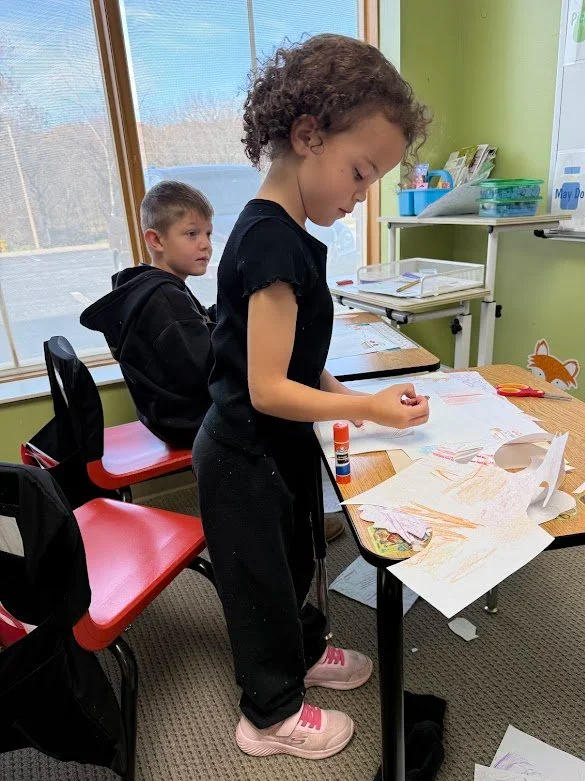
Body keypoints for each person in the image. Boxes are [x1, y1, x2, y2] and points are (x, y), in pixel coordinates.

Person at [193, 33, 430, 760]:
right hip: (242, 453)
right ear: (307, 136)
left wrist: (347, 391)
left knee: (295, 560)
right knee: (260, 585)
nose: (360, 197)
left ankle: (300, 652)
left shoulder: (289, 234)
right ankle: (267, 715)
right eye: (360, 174)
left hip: (275, 446)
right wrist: (364, 408)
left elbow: (296, 361)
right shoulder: (269, 241)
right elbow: (267, 389)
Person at [81, 181, 214, 448]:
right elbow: (208, 372)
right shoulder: (166, 299)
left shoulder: (149, 287)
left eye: (208, 234)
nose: (205, 245)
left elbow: (193, 331)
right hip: (189, 423)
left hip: (162, 417)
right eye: (192, 234)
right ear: (156, 240)